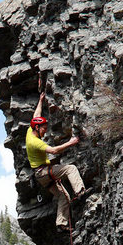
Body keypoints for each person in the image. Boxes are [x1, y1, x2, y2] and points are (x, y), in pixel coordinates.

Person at [26, 92, 91, 233]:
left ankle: (61, 223)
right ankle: (80, 192)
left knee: (63, 196)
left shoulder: (30, 130)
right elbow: (54, 151)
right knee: (70, 169)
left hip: (40, 176)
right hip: (44, 172)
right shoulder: (35, 142)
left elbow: (36, 115)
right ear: (37, 128)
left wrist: (41, 100)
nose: (45, 130)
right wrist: (71, 142)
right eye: (43, 128)